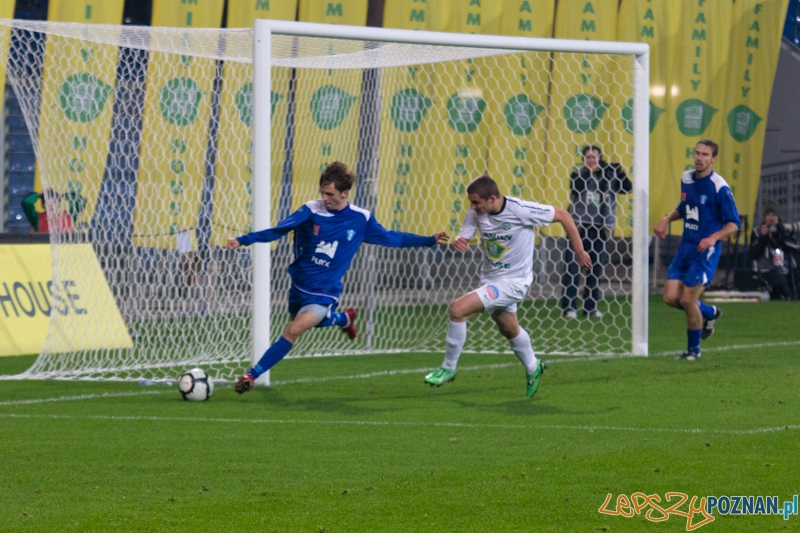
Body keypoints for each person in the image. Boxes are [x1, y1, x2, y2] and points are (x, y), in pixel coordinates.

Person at [228, 161, 449, 393]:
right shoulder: (311, 210)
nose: (325, 198)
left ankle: (251, 375)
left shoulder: (361, 219)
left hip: (325, 292)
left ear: (345, 193)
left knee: (293, 330)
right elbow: (279, 230)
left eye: (330, 193)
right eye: (323, 192)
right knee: (303, 324)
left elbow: (393, 238)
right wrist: (244, 240)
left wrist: (429, 240)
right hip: (299, 285)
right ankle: (343, 319)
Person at [423, 175, 592, 397]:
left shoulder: (520, 209)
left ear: (492, 198)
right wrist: (459, 241)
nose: (472, 207)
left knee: (458, 310)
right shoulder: (476, 213)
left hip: (514, 282)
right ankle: (533, 366)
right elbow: (465, 236)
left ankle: (448, 367)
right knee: (508, 328)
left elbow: (563, 215)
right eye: (471, 203)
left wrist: (579, 250)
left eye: (476, 202)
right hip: (491, 279)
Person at [653, 140, 742, 361]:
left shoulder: (719, 186)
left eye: (705, 154)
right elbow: (685, 207)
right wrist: (665, 219)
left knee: (687, 300)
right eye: (697, 153)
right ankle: (709, 312)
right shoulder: (686, 178)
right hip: (686, 247)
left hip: (705, 252)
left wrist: (713, 238)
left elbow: (734, 224)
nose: (699, 158)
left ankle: (693, 351)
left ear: (714, 159)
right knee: (670, 297)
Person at [561, 145, 632, 318]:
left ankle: (590, 308)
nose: (592, 160)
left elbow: (627, 188)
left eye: (594, 157)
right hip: (579, 227)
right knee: (572, 268)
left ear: (600, 158)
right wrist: (591, 171)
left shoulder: (609, 175)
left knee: (596, 270)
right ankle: (569, 307)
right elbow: (576, 187)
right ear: (583, 160)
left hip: (601, 229)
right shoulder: (578, 174)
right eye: (588, 157)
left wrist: (619, 171)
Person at [749, 203, 798, 300]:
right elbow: (754, 254)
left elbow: (796, 246)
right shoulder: (757, 232)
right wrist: (763, 238)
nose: (771, 218)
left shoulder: (784, 229)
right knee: (780, 282)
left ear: (778, 216)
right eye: (768, 215)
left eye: (773, 215)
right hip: (765, 271)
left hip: (786, 270)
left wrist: (780, 238)